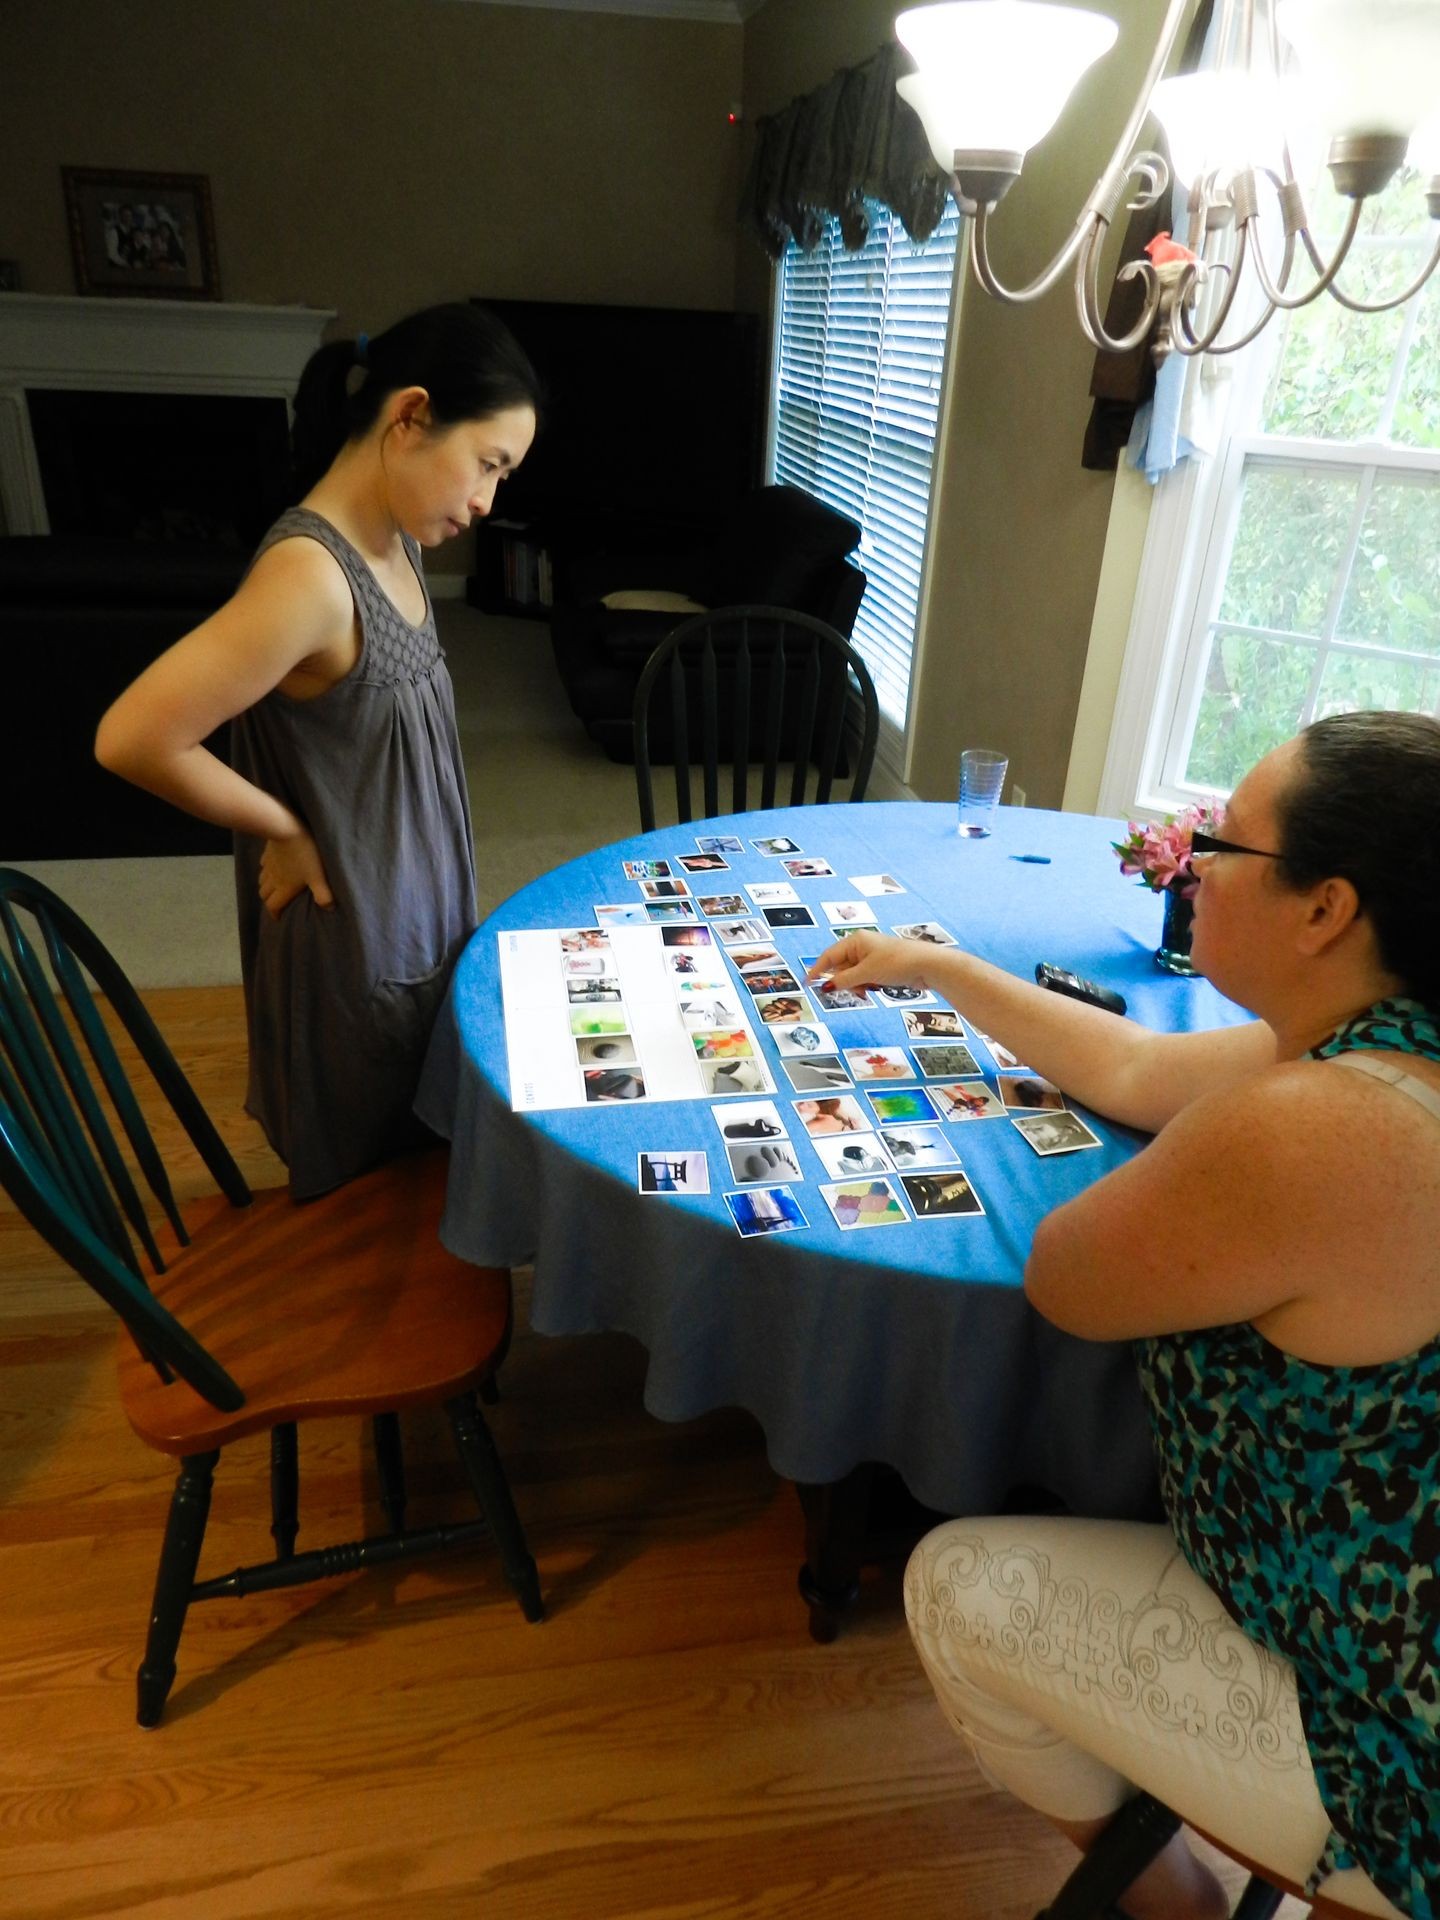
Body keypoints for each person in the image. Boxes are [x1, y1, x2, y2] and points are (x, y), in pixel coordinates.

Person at [809, 712, 1440, 1920]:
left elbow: (1065, 1278)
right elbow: (1143, 1074)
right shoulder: (1388, 1045)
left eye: (1229, 843)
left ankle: (1176, 1903)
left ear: (1327, 911)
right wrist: (934, 966)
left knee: (948, 1579)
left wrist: (1231, 1145)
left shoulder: (1314, 1124)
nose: (1189, 854)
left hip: (1382, 1727)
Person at [96, 303, 539, 1198]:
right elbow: (133, 736)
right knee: (365, 1186)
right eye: (488, 464)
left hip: (410, 914)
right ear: (409, 417)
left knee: (421, 1159)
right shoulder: (310, 578)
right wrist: (282, 829)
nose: (490, 500)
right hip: (354, 942)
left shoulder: (401, 545)